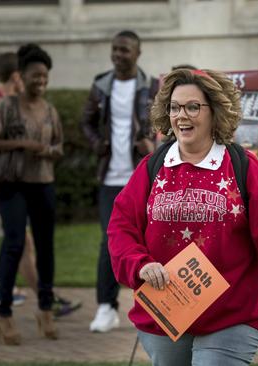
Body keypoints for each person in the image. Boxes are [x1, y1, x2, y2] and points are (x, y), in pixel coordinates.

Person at [107, 68, 258, 365]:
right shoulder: (153, 166)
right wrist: (140, 265)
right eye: (174, 107)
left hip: (231, 314)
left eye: (192, 107)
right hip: (165, 315)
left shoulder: (242, 165)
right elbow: (121, 228)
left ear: (215, 112)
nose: (181, 116)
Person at [0, 52, 80, 317]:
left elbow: (58, 147)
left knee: (45, 246)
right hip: (12, 184)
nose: (41, 80)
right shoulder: (6, 107)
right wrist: (23, 145)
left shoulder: (49, 110)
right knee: (15, 243)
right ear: (22, 76)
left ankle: (46, 307)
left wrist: (49, 151)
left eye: (44, 76)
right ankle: (5, 311)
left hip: (43, 182)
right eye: (35, 75)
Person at [80, 29, 157, 333]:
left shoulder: (152, 87)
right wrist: (96, 141)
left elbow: (166, 124)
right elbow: (85, 120)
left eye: (124, 50)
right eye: (114, 49)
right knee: (109, 241)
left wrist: (151, 144)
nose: (118, 55)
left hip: (143, 177)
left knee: (152, 241)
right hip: (111, 177)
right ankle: (106, 307)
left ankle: (154, 306)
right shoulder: (101, 85)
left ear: (138, 53)